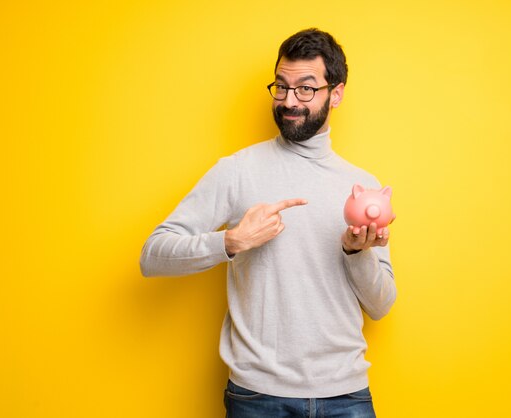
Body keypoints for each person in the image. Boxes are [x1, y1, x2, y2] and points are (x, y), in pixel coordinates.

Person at [140, 28, 397, 418]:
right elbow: (152, 255)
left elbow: (381, 305)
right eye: (281, 86)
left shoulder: (363, 188)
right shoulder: (237, 171)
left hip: (347, 395)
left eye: (306, 89)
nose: (290, 101)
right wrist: (231, 241)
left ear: (337, 93)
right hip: (258, 398)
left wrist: (355, 252)